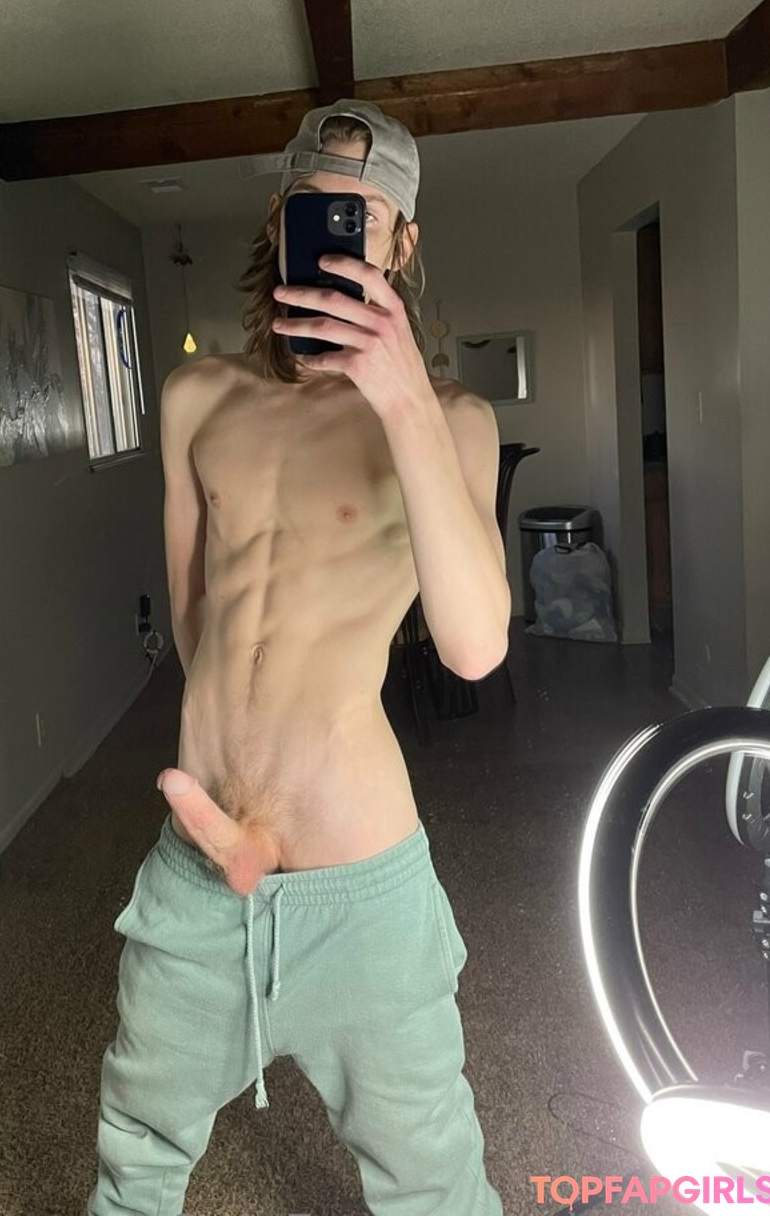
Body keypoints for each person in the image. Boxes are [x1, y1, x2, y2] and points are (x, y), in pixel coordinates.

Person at [86, 98, 509, 1215]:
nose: (337, 237)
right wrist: (239, 773)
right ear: (280, 222)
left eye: (362, 220)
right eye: (316, 211)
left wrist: (402, 398)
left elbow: (474, 648)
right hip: (197, 869)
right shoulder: (196, 399)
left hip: (362, 889)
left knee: (434, 1184)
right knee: (133, 1161)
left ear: (400, 244)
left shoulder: (453, 420)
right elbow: (197, 621)